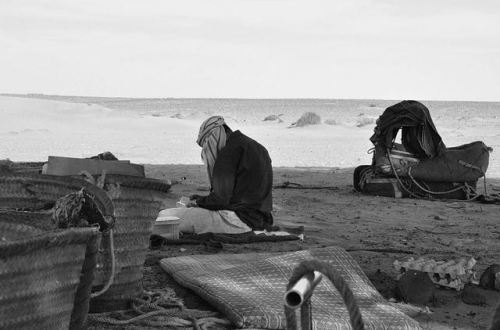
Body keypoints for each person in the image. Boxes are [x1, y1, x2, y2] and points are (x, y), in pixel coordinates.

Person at [159, 116, 274, 234]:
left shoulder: (228, 152)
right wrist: (200, 199)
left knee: (166, 216)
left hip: (236, 220)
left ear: (213, 135)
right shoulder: (256, 146)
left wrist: (196, 203)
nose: (205, 149)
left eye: (205, 143)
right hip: (261, 220)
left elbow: (220, 200)